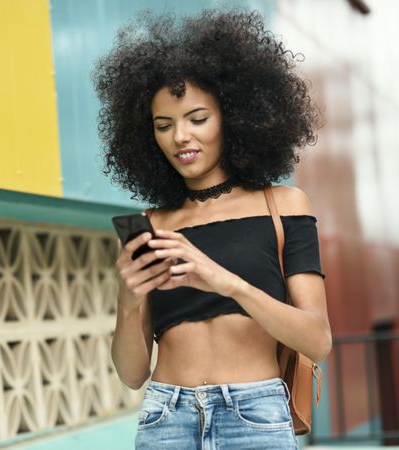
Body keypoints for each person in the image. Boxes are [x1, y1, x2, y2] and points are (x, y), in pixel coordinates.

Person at [92, 8, 332, 450]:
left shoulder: (282, 206)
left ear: (235, 117)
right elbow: (131, 374)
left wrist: (226, 282)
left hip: (254, 414)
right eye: (164, 125)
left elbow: (317, 341)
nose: (180, 137)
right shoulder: (153, 224)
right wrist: (129, 299)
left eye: (197, 119)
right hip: (166, 415)